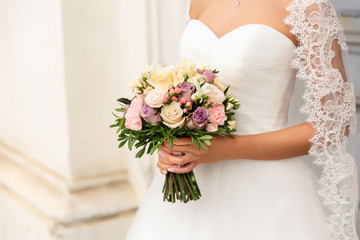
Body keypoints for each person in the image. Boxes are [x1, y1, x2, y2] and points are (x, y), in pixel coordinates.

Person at [125, 0, 358, 239]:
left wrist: (225, 148)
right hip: (191, 185)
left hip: (267, 191)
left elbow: (334, 125)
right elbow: (188, 86)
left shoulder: (307, 7)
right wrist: (171, 143)